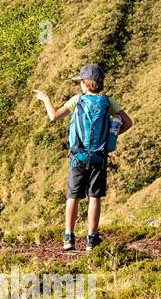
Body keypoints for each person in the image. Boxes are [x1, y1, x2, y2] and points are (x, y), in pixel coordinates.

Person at [35, 65, 133, 251]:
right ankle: (91, 238)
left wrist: (45, 99)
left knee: (73, 196)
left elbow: (54, 117)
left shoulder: (77, 100)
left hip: (78, 157)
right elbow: (128, 122)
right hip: (99, 156)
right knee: (94, 197)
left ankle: (68, 238)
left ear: (85, 84)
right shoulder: (108, 101)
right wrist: (110, 136)